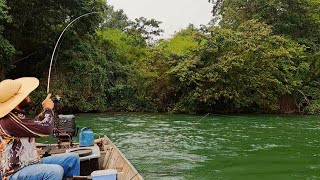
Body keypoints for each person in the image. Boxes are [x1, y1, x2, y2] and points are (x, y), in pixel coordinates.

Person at [0, 77, 80, 180]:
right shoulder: (9, 121)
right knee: (55, 171)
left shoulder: (16, 117)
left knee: (73, 159)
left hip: (32, 163)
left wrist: (43, 113)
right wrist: (47, 110)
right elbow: (46, 129)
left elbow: (31, 127)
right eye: (25, 95)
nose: (28, 96)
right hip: (15, 172)